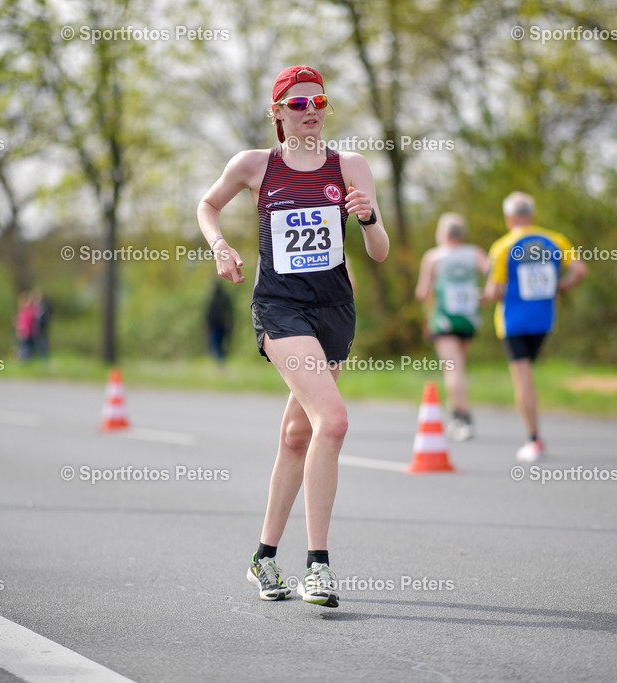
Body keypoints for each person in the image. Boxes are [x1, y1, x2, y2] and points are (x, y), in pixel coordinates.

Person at [197, 65, 389, 608]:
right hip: (280, 309)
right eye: (298, 103)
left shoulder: (350, 166)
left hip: (335, 310)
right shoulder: (255, 165)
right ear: (277, 112)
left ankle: (262, 557)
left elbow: (379, 251)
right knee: (334, 421)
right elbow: (207, 206)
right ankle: (319, 567)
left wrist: (370, 217)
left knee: (296, 436)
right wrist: (219, 245)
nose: (310, 111)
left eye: (318, 101)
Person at [484, 192, 588, 462]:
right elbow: (580, 271)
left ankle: (533, 440)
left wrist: (487, 295)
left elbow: (494, 292)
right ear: (531, 214)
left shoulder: (503, 246)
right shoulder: (556, 239)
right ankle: (534, 438)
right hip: (544, 319)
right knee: (528, 373)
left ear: (509, 218)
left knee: (523, 378)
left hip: (513, 321)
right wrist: (560, 288)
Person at [415, 213, 489, 441]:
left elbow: (422, 293)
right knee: (459, 367)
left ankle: (461, 417)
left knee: (452, 368)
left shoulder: (434, 257)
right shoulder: (474, 253)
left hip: (445, 318)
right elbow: (495, 277)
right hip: (468, 318)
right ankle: (456, 407)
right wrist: (483, 295)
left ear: (443, 233)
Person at [205, 279, 234, 363]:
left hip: (219, 324)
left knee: (217, 344)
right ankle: (220, 361)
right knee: (217, 344)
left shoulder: (215, 297)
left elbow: (229, 311)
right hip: (217, 324)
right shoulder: (217, 296)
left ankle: (220, 361)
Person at [15, 293, 37, 361]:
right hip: (22, 332)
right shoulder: (22, 311)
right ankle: (24, 359)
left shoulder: (29, 311)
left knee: (26, 347)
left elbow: (28, 322)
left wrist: (24, 328)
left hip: (27, 332)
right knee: (23, 346)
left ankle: (26, 360)